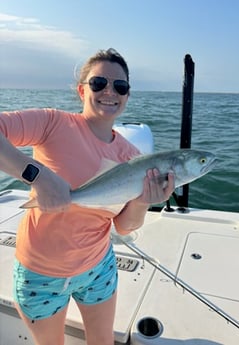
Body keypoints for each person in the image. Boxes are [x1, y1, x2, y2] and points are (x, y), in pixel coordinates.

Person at [0, 48, 174, 345]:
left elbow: (124, 227)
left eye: (120, 86)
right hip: (42, 274)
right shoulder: (53, 123)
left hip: (99, 267)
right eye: (98, 83)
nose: (110, 91)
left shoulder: (130, 157)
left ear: (127, 95)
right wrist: (36, 175)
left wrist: (144, 200)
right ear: (82, 90)